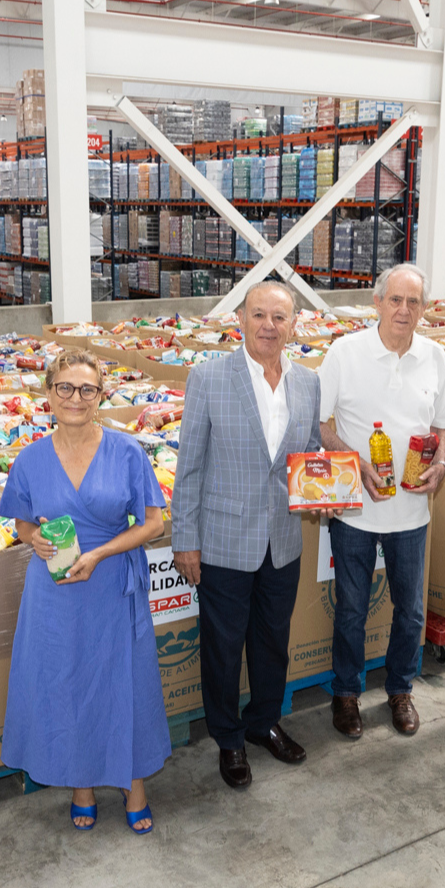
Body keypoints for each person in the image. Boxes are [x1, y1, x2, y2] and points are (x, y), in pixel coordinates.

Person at [0, 349, 172, 832]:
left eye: (87, 389)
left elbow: (154, 524)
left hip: (112, 582)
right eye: (65, 388)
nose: (76, 398)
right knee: (66, 683)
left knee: (123, 683)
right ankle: (81, 782)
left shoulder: (128, 453)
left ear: (102, 395)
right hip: (55, 591)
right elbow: (21, 522)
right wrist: (37, 540)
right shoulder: (30, 458)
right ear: (49, 394)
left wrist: (98, 554)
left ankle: (134, 782)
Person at [171, 281, 321, 790]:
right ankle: (229, 738)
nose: (268, 326)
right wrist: (184, 539)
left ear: (294, 324)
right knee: (222, 646)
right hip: (222, 539)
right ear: (240, 318)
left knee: (272, 643)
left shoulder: (308, 382)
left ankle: (263, 722)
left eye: (280, 317)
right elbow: (188, 467)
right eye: (259, 315)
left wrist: (327, 487)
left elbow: (309, 456)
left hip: (282, 539)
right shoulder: (209, 378)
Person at [316, 263, 445, 739]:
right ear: (377, 303)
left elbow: (442, 428)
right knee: (352, 606)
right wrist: (354, 462)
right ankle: (347, 693)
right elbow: (320, 422)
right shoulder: (345, 353)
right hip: (356, 508)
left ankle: (400, 689)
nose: (404, 310)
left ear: (424, 309)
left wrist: (442, 464)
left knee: (410, 610)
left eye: (413, 302)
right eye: (395, 300)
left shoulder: (436, 357)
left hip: (411, 512)